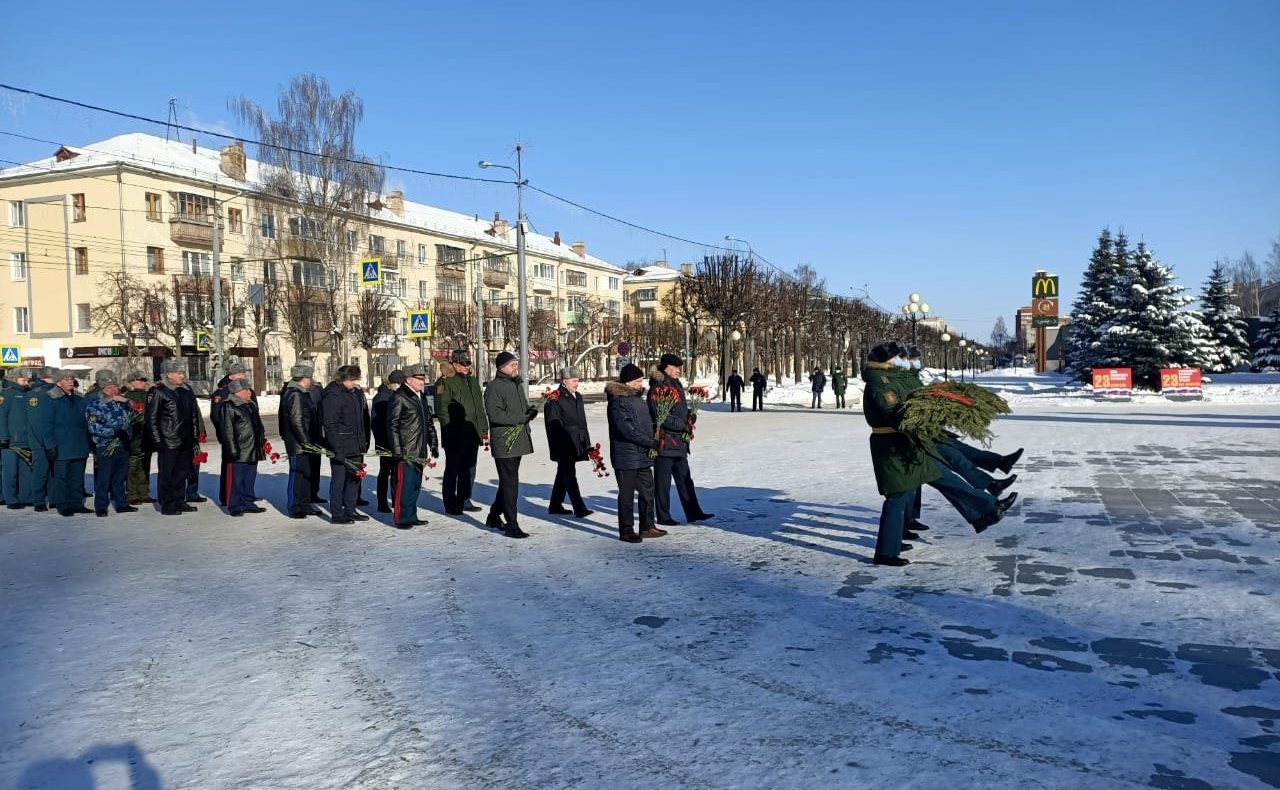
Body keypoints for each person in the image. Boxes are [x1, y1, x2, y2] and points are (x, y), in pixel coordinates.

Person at [861, 342, 1018, 567]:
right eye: (896, 357)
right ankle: (886, 552)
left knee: (935, 478)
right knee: (898, 496)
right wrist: (927, 415)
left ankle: (987, 509)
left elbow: (913, 401)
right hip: (893, 446)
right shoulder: (880, 382)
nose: (900, 360)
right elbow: (896, 414)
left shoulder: (891, 378)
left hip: (907, 442)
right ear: (886, 361)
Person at [648, 353, 712, 527]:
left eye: (679, 368)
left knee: (685, 479)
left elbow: (677, 410)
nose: (678, 371)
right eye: (676, 368)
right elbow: (660, 416)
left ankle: (694, 512)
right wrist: (682, 424)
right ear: (666, 367)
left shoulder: (675, 384)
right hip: (664, 441)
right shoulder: (658, 387)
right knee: (663, 483)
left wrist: (690, 415)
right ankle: (663, 515)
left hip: (678, 442)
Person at [606, 363, 661, 542]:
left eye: (641, 380)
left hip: (642, 454)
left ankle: (647, 525)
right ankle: (627, 529)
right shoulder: (618, 401)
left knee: (648, 491)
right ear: (628, 382)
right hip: (626, 455)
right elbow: (626, 430)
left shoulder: (638, 399)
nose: (640, 384)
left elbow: (644, 424)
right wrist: (650, 442)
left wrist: (656, 432)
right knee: (627, 495)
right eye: (637, 381)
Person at [484, 351, 536, 538]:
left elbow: (519, 409)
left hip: (517, 440)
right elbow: (495, 415)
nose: (516, 367)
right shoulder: (494, 387)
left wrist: (529, 412)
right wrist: (521, 417)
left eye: (516, 364)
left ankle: (493, 516)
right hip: (504, 442)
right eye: (513, 365)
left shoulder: (516, 384)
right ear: (502, 367)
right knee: (510, 483)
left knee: (508, 482)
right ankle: (511, 524)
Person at [433, 349, 488, 516]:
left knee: (469, 469)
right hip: (455, 435)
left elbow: (479, 408)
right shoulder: (445, 382)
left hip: (472, 432)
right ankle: (451, 503)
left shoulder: (471, 381)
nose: (466, 367)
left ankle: (465, 499)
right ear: (454, 363)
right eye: (463, 364)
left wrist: (483, 428)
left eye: (468, 363)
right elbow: (442, 410)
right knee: (453, 470)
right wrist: (450, 430)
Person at [146, 360, 202, 516]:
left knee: (182, 473)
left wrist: (195, 436)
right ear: (169, 374)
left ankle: (179, 500)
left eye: (183, 373)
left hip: (186, 440)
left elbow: (193, 415)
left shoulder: (186, 390)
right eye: (179, 373)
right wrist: (158, 441)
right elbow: (151, 419)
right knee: (167, 474)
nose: (182, 376)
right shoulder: (158, 391)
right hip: (168, 442)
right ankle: (167, 504)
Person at [387, 363, 438, 529]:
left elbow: (428, 422)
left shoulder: (420, 396)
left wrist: (434, 442)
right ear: (408, 379)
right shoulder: (399, 397)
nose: (423, 382)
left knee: (415, 486)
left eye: (424, 378)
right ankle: (402, 518)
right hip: (406, 450)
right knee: (405, 486)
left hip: (419, 449)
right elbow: (392, 426)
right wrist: (397, 450)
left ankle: (411, 515)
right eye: (420, 378)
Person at [321, 365, 371, 524]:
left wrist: (363, 441)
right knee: (339, 480)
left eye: (355, 380)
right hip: (340, 445)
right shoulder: (333, 395)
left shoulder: (355, 393)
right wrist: (337, 449)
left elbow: (361, 420)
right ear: (342, 379)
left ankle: (350, 509)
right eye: (352, 380)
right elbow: (331, 425)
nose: (354, 383)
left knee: (354, 479)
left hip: (355, 444)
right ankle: (337, 513)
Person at [38, 370, 92, 517]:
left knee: (77, 477)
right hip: (61, 445)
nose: (70, 382)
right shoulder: (50, 398)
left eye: (71, 379)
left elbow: (87, 421)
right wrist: (50, 445)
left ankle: (77, 503)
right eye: (66, 379)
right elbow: (46, 425)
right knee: (61, 478)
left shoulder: (80, 398)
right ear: (58, 382)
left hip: (79, 443)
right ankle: (63, 505)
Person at [84, 373, 138, 517]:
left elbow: (137, 409)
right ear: (102, 389)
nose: (114, 390)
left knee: (120, 476)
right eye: (110, 388)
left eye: (115, 387)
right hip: (105, 446)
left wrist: (125, 400)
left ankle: (121, 503)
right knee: (104, 478)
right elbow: (93, 427)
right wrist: (113, 432)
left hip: (123, 445)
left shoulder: (121, 403)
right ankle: (101, 506)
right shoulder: (95, 405)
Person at [543, 366, 593, 518]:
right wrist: (559, 446)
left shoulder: (578, 396)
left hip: (577, 440)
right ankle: (579, 508)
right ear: (564, 381)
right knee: (569, 475)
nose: (577, 383)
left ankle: (555, 505)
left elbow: (582, 423)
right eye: (574, 380)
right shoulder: (555, 398)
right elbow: (553, 425)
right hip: (564, 443)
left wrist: (587, 443)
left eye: (578, 380)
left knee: (563, 474)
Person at [217, 379, 267, 517]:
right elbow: (227, 431)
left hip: (252, 449)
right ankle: (235, 505)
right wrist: (232, 450)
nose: (250, 393)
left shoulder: (250, 405)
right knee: (236, 480)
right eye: (247, 390)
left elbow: (258, 426)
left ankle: (248, 502)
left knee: (249, 479)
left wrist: (261, 441)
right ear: (238, 392)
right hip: (239, 450)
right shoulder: (228, 406)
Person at [279, 364, 321, 519]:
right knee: (297, 475)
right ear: (305, 379)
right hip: (298, 443)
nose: (311, 381)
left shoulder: (301, 393)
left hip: (304, 442)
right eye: (310, 378)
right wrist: (306, 442)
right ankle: (295, 507)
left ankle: (304, 504)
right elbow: (297, 421)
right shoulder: (295, 394)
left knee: (305, 475)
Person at [211, 361, 253, 507]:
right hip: (231, 436)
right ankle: (227, 496)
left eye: (244, 374)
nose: (243, 376)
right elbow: (217, 416)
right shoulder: (223, 392)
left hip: (247, 437)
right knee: (231, 470)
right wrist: (225, 437)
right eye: (240, 374)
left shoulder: (246, 389)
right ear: (231, 375)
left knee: (245, 470)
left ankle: (245, 495)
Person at [370, 369, 405, 513]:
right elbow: (380, 423)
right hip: (386, 441)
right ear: (389, 382)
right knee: (386, 472)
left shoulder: (391, 395)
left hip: (391, 441)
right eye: (396, 382)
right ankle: (382, 502)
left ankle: (394, 499)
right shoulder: (383, 398)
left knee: (394, 472)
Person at [0, 368, 34, 509]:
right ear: (15, 379)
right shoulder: (6, 395)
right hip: (11, 441)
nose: (26, 382)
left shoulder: (28, 394)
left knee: (25, 471)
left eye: (28, 380)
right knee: (10, 471)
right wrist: (3, 437)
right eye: (24, 380)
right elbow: (1, 417)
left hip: (26, 439)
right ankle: (11, 499)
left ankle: (25, 497)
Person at [26, 367, 58, 511]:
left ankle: (54, 498)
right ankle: (38, 500)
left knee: (54, 471)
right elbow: (36, 422)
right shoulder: (35, 394)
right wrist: (46, 443)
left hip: (55, 439)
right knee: (41, 471)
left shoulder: (56, 392)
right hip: (40, 441)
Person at [123, 372, 153, 505]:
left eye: (143, 380)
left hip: (147, 435)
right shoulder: (127, 397)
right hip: (134, 435)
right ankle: (132, 493)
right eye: (139, 380)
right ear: (131, 382)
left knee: (145, 465)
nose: (142, 382)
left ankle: (144, 492)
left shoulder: (149, 396)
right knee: (132, 466)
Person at [307, 374, 326, 504]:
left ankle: (313, 492)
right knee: (308, 466)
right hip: (308, 433)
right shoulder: (294, 390)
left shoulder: (317, 390)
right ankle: (309, 493)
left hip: (316, 433)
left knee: (314, 465)